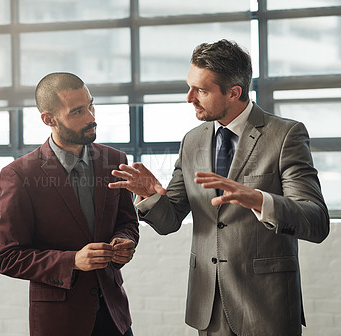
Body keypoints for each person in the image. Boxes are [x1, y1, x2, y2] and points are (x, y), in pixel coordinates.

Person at [109, 39, 330, 336]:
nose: (189, 98)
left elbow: (316, 221)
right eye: (190, 86)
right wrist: (150, 195)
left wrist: (259, 200)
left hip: (267, 306)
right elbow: (170, 220)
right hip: (209, 307)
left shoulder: (285, 135)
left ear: (234, 92)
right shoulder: (192, 141)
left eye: (201, 90)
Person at [0, 72, 139, 336]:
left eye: (91, 105)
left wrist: (124, 241)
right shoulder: (20, 175)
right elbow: (8, 257)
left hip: (115, 316)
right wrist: (73, 261)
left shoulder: (115, 159)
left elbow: (127, 222)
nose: (91, 117)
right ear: (49, 119)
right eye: (78, 111)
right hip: (60, 322)